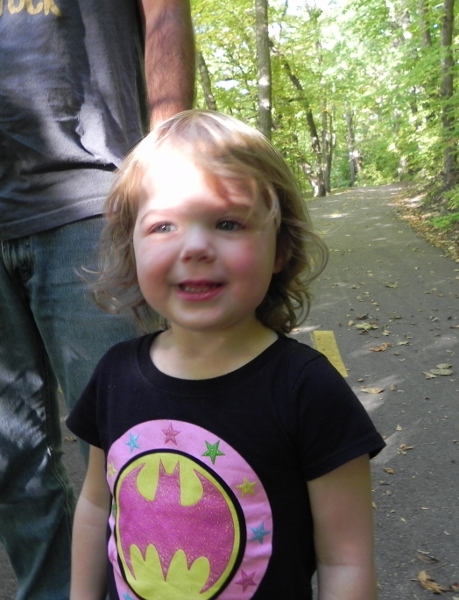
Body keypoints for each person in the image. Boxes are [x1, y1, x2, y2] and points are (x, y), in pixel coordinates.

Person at [67, 110, 386, 600]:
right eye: (163, 226)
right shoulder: (115, 375)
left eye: (228, 222)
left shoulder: (307, 390)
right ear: (131, 248)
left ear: (281, 248)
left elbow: (345, 561)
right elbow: (95, 506)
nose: (195, 246)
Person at [0, 2, 195, 599]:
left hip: (95, 193)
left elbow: (164, 14)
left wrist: (171, 161)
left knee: (131, 448)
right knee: (11, 461)